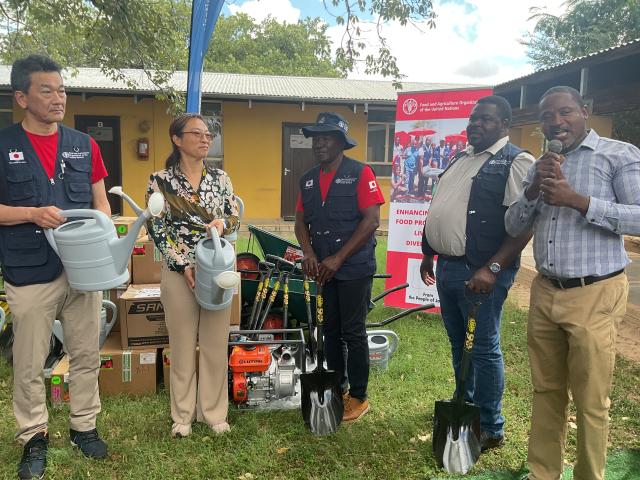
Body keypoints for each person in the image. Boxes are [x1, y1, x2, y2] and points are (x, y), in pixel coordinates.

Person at [505, 86, 640, 480]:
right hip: (546, 290)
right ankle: (543, 472)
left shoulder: (618, 154)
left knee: (591, 399)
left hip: (595, 292)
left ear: (585, 110)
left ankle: (588, 476)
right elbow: (514, 225)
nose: (556, 122)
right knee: (546, 391)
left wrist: (580, 201)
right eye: (548, 116)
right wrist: (532, 189)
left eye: (565, 112)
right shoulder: (540, 164)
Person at [0, 55, 111, 479]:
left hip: (82, 271)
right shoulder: (3, 144)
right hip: (28, 271)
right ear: (22, 97)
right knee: (29, 361)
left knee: (85, 353)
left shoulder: (85, 144)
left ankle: (84, 427)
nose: (58, 97)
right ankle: (33, 437)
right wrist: (29, 214)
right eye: (46, 90)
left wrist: (106, 251)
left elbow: (101, 204)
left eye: (61, 89)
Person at [420, 95, 534, 451]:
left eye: (485, 119)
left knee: (483, 349)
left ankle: (490, 425)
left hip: (480, 272)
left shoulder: (516, 161)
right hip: (448, 266)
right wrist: (429, 253)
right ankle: (463, 405)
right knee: (460, 345)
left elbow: (523, 223)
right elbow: (443, 209)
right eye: (473, 119)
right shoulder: (461, 158)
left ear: (504, 125)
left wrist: (493, 267)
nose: (475, 125)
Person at [147, 113, 239, 439]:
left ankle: (214, 413)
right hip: (179, 271)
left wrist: (223, 225)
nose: (205, 139)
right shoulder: (160, 181)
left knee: (215, 343)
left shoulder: (221, 178)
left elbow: (233, 215)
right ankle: (183, 416)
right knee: (183, 344)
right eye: (197, 133)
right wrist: (183, 264)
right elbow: (157, 227)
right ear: (177, 138)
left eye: (208, 135)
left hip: (216, 270)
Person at [294, 112, 384, 422]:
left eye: (326, 138)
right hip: (322, 268)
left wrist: (339, 258)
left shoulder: (360, 173)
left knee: (353, 332)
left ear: (341, 143)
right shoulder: (307, 179)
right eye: (315, 138)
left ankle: (358, 395)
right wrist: (308, 254)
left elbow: (372, 221)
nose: (318, 143)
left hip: (353, 267)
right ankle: (337, 385)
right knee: (329, 331)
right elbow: (300, 223)